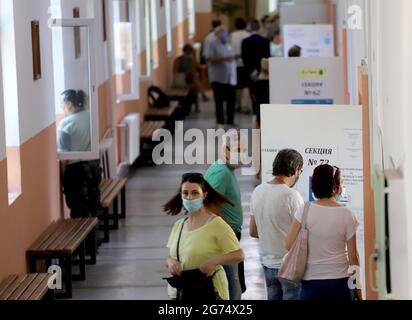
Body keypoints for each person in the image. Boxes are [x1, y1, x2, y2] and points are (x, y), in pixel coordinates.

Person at [285, 165, 362, 301]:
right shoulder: (347, 214)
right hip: (341, 283)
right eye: (342, 182)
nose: (343, 186)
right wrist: (358, 289)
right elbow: (353, 257)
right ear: (335, 188)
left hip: (310, 283)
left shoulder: (304, 209)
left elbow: (289, 244)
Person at [164, 173, 245, 301]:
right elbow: (171, 255)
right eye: (185, 193)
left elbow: (238, 255)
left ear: (204, 195)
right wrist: (170, 262)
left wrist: (214, 261)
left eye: (195, 193)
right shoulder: (179, 225)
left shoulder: (217, 224)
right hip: (181, 292)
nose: (189, 197)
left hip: (210, 292)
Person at [250, 149, 304, 300]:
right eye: (300, 170)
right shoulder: (292, 196)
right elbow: (303, 234)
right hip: (290, 268)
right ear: (296, 168)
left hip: (268, 265)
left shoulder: (258, 191)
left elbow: (253, 231)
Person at [204, 130, 248, 300]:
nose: (241, 155)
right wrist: (225, 229)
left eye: (243, 151)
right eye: (237, 150)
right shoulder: (222, 172)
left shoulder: (226, 170)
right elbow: (206, 205)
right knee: (231, 285)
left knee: (234, 282)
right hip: (224, 238)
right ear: (225, 150)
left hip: (229, 236)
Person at [58, 89, 102, 218]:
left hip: (76, 171)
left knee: (79, 209)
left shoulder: (66, 124)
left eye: (62, 103)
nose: (61, 107)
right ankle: (94, 237)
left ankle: (85, 238)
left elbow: (64, 155)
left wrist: (62, 178)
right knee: (93, 204)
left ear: (69, 104)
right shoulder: (90, 117)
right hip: (94, 166)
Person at [206, 26, 238, 128]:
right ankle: (220, 121)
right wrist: (225, 59)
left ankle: (230, 120)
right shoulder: (213, 44)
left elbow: (232, 57)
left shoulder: (229, 44)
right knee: (219, 101)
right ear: (217, 34)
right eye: (223, 32)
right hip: (218, 78)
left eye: (226, 32)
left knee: (231, 100)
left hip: (230, 77)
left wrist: (234, 58)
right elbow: (209, 58)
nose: (225, 34)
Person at [241, 19, 271, 128]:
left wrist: (251, 71)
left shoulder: (245, 41)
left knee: (253, 95)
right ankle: (261, 119)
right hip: (263, 74)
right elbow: (267, 58)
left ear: (250, 27)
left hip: (250, 74)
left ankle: (255, 116)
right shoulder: (265, 41)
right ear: (259, 28)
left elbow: (244, 59)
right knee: (263, 97)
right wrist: (259, 71)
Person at [173, 44, 209, 112]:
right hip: (181, 81)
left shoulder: (190, 59)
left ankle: (199, 103)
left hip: (189, 80)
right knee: (195, 81)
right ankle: (203, 95)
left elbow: (193, 70)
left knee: (195, 80)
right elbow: (176, 74)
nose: (189, 54)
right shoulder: (178, 60)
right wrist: (186, 73)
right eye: (188, 52)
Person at [229, 18, 250, 114]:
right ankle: (245, 106)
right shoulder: (248, 35)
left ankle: (237, 105)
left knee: (237, 85)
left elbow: (228, 49)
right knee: (246, 85)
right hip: (246, 63)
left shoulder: (232, 35)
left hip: (235, 63)